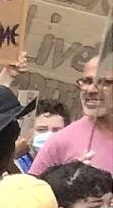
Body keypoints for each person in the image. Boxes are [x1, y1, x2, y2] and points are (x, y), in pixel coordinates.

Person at [29, 46, 113, 176]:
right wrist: (67, 183)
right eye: (87, 81)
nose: (91, 90)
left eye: (104, 82)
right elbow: (30, 193)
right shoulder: (60, 142)